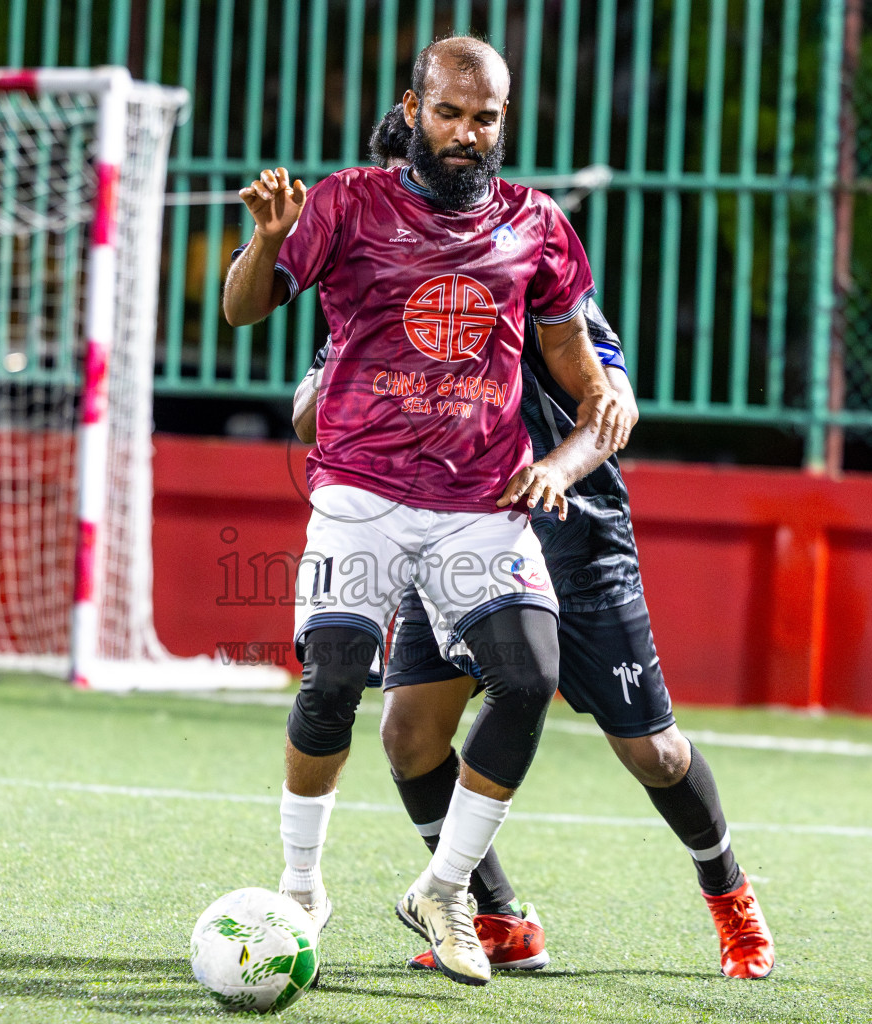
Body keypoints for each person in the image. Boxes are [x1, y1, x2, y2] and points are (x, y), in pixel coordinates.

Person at [293, 105, 776, 981]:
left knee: (653, 750)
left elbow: (613, 404)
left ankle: (729, 893)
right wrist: (331, 383)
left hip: (570, 532)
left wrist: (561, 462)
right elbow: (313, 409)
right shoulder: (373, 276)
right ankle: (497, 915)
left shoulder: (527, 268)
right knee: (409, 734)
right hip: (448, 520)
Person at [224, 37, 631, 986]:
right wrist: (269, 240)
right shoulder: (345, 201)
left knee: (529, 676)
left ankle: (445, 890)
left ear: (503, 121)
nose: (465, 134)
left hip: (481, 500)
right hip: (360, 489)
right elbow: (244, 309)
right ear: (413, 111)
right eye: (448, 114)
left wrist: (563, 460)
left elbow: (589, 389)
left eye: (483, 118)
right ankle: (299, 888)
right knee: (332, 678)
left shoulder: (537, 224)